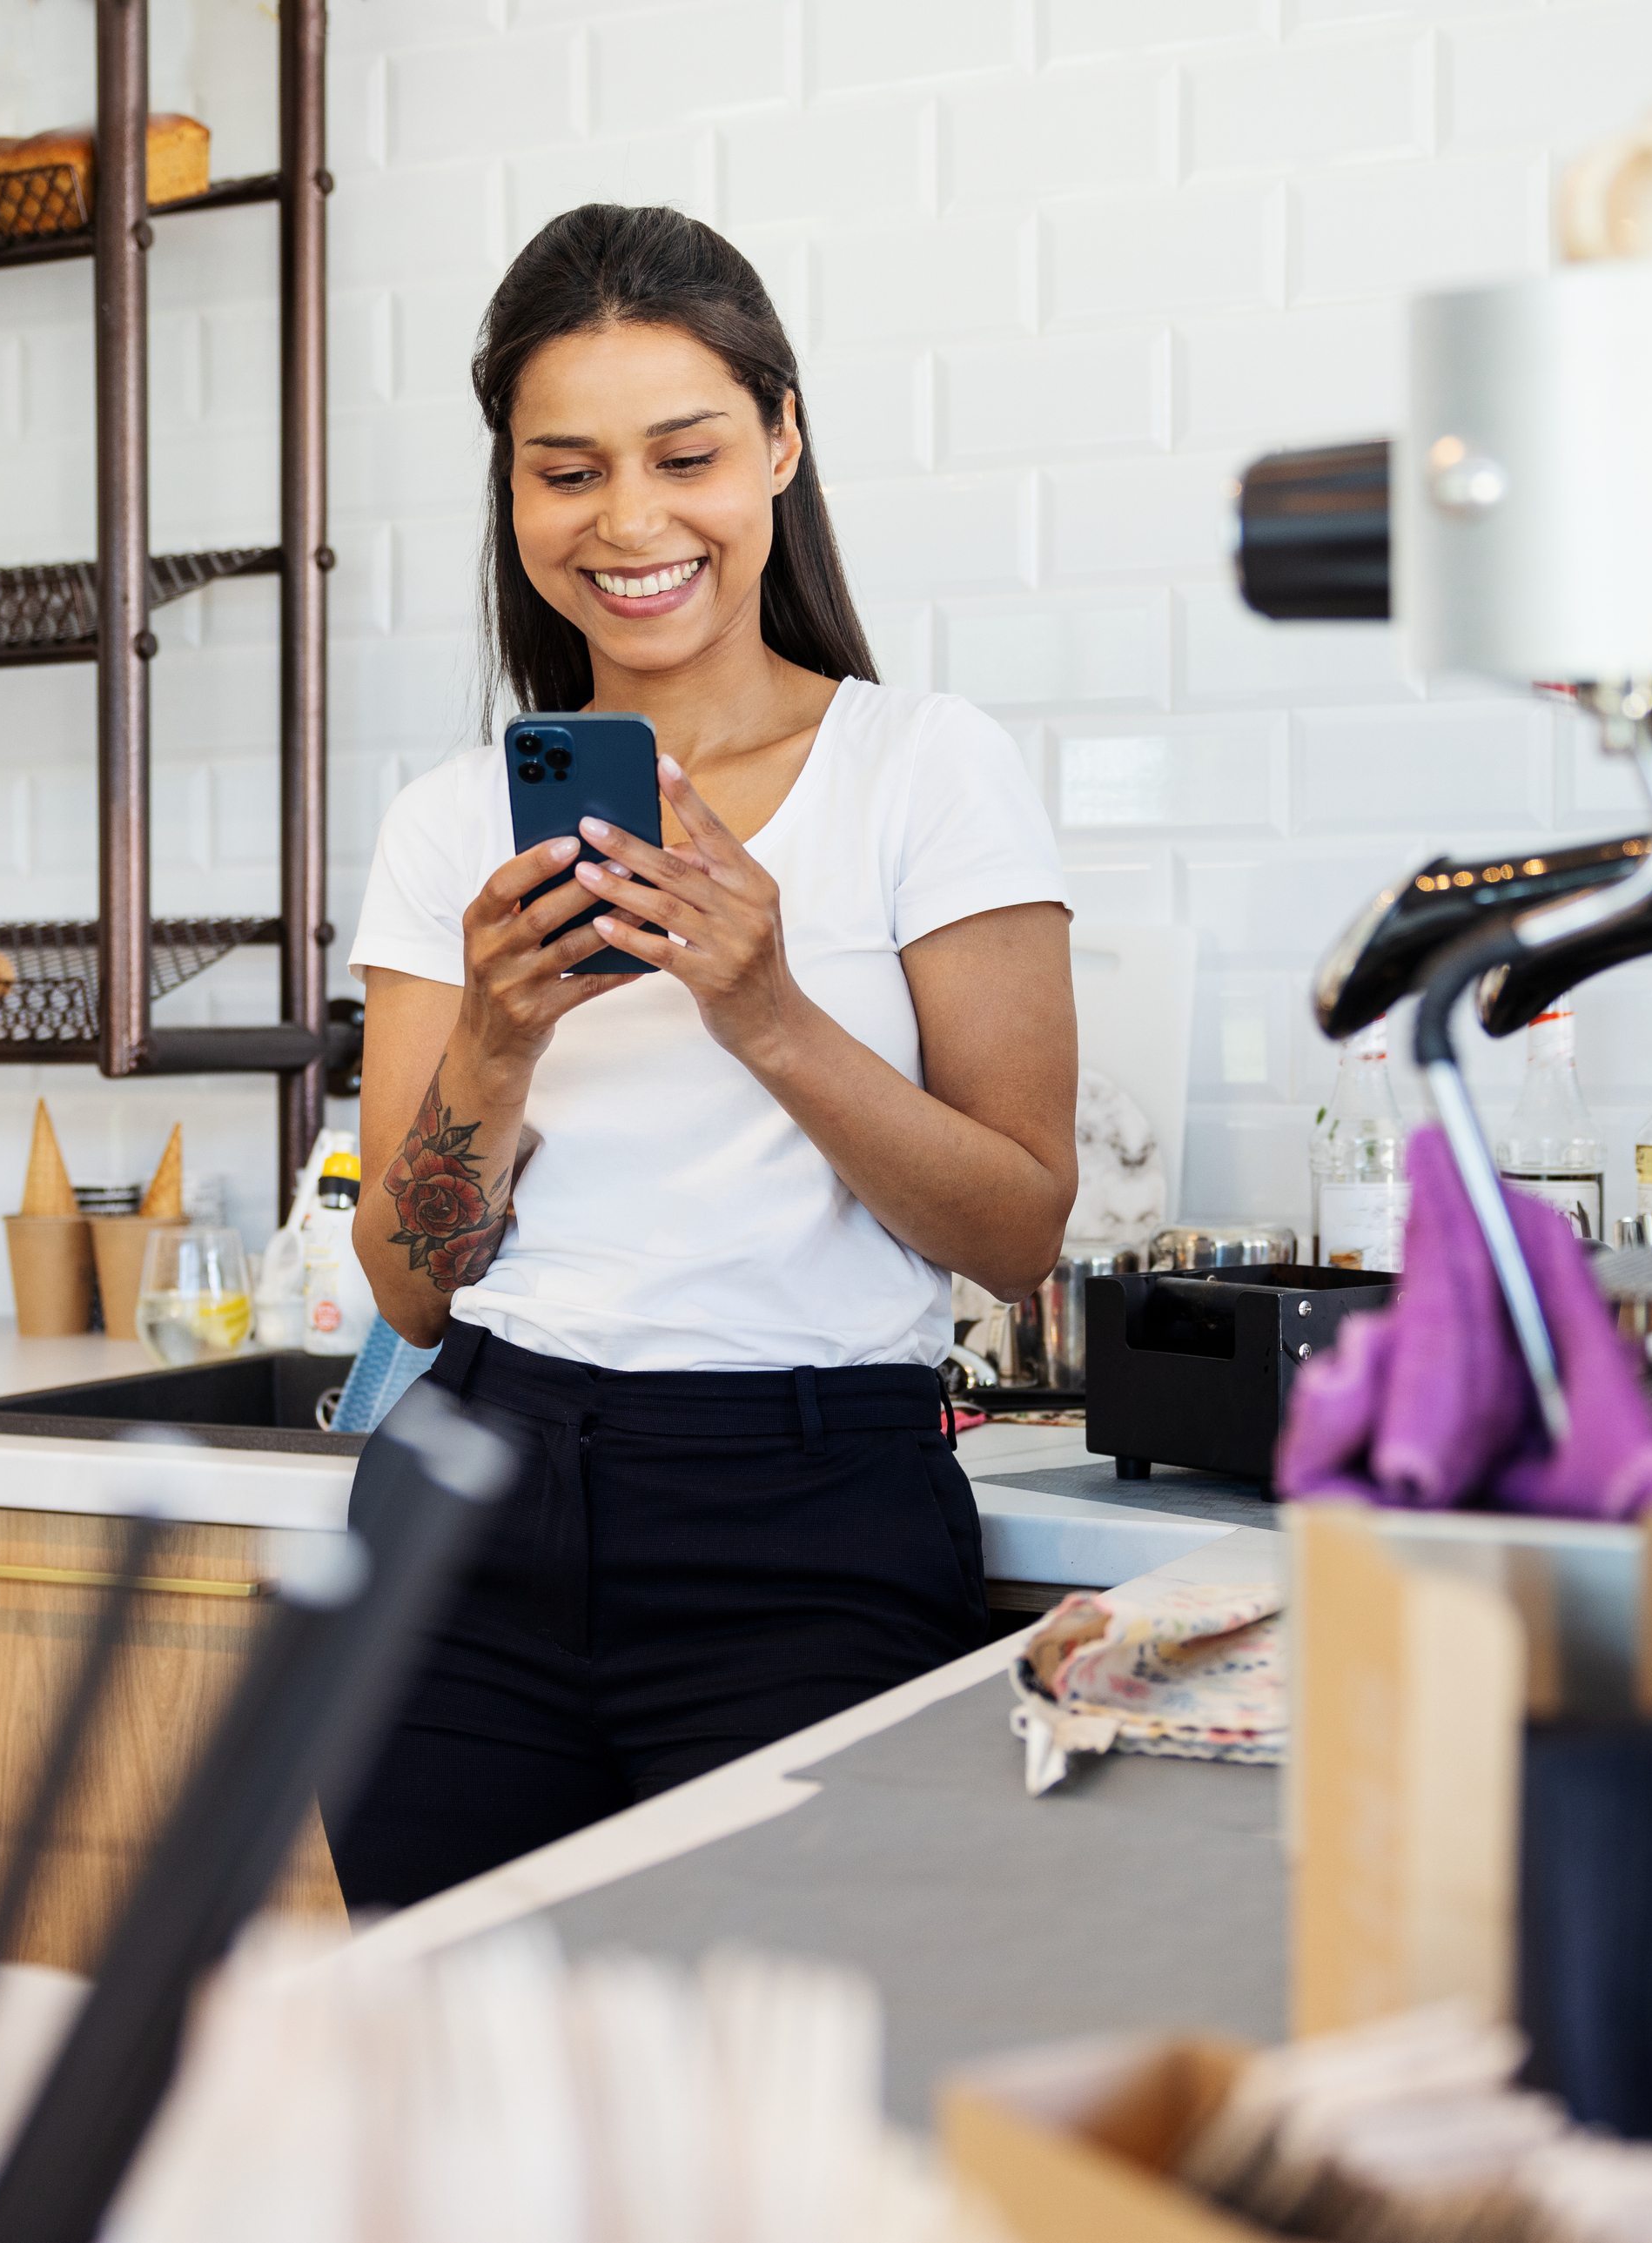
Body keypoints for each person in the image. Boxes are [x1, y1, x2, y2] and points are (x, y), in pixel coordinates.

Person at [327, 204, 1079, 1910]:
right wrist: (498, 1037)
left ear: (782, 444)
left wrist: (764, 1004)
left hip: (807, 1516)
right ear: (513, 493)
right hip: (471, 1514)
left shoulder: (924, 769)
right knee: (461, 2095)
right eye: (568, 469)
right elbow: (415, 1284)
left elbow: (1018, 1225)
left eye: (686, 453)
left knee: (775, 2116)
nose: (632, 519)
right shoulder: (450, 825)